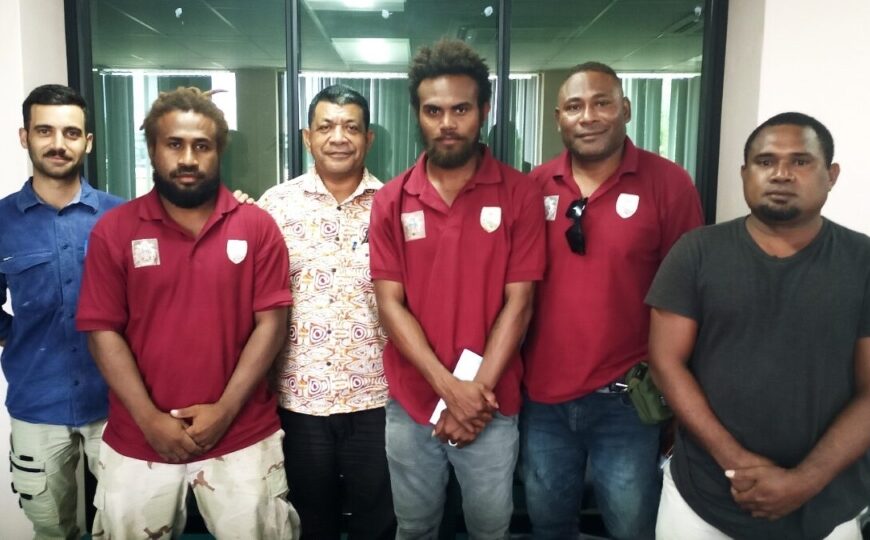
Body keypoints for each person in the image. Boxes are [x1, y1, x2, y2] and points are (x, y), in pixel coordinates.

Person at [75, 87, 299, 538]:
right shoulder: (114, 231)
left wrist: (225, 409)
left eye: (202, 145)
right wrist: (150, 419)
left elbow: (270, 325)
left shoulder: (257, 227)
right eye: (174, 144)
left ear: (219, 151)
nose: (188, 158)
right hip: (139, 438)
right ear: (153, 150)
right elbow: (102, 331)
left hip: (242, 435)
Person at [646, 112, 870, 540]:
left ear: (832, 174)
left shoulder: (862, 261)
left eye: (801, 161)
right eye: (766, 162)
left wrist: (804, 480)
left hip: (828, 502)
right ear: (745, 174)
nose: (781, 174)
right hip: (705, 495)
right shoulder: (696, 252)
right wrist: (736, 463)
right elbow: (665, 363)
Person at [368, 39, 545, 538]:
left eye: (461, 109)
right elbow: (390, 305)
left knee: (489, 528)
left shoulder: (520, 193)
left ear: (483, 111)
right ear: (417, 115)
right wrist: (450, 394)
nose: (447, 122)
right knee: (415, 527)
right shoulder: (391, 199)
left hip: (492, 402)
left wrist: (474, 399)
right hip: (412, 401)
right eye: (433, 110)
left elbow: (520, 303)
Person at [520, 62, 704, 539]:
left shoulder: (669, 184)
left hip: (628, 400)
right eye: (575, 107)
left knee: (631, 526)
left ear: (625, 109)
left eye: (602, 103)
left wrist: (681, 397)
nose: (589, 116)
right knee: (547, 523)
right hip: (542, 400)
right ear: (558, 117)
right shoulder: (533, 188)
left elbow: (691, 298)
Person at [259, 85, 396, 539]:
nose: (339, 137)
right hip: (300, 399)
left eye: (351, 127)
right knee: (310, 522)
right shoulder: (274, 207)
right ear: (307, 137)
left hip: (377, 397)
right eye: (326, 126)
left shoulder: (395, 205)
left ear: (369, 138)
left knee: (378, 520)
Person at [0, 84, 123, 538]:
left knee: (126, 523)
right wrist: (18, 339)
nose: (58, 143)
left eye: (71, 132)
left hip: (115, 404)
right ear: (24, 136)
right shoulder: (1, 222)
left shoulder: (120, 218)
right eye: (45, 131)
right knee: (51, 528)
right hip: (37, 403)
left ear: (87, 141)